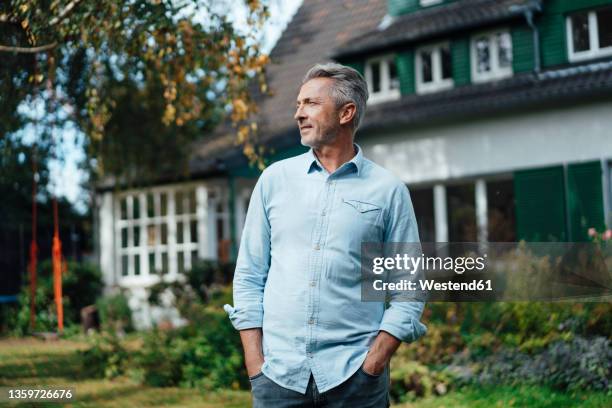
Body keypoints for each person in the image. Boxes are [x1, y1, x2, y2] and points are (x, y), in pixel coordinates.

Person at [224, 62, 426, 407]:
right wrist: (254, 363)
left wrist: (374, 362)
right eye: (298, 105)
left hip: (355, 380)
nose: (299, 114)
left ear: (346, 112)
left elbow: (409, 284)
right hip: (278, 378)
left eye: (311, 104)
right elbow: (249, 274)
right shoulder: (274, 180)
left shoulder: (387, 190)